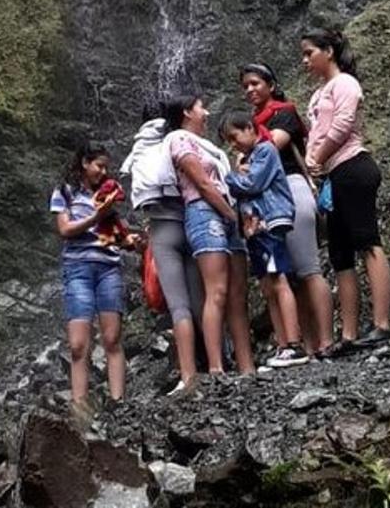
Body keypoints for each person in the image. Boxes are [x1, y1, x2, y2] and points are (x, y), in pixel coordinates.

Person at [301, 29, 390, 352]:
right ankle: (349, 334)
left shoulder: (345, 84)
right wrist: (316, 166)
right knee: (341, 254)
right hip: (332, 175)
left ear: (328, 51)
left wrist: (318, 157)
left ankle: (383, 322)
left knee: (367, 240)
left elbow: (342, 126)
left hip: (353, 166)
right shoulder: (318, 94)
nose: (305, 60)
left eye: (309, 53)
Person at [239, 63, 335, 356]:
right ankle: (305, 344)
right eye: (246, 86)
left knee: (308, 268)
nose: (250, 90)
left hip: (292, 189)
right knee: (289, 275)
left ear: (270, 84)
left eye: (255, 83)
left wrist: (242, 156)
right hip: (268, 198)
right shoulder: (253, 123)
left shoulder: (285, 113)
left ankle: (327, 340)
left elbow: (269, 148)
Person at [164, 95, 255, 376]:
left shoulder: (211, 148)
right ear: (187, 112)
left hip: (230, 213)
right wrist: (231, 215)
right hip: (205, 212)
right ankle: (216, 367)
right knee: (216, 291)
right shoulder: (179, 139)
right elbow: (202, 183)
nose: (206, 113)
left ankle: (247, 367)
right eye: (201, 107)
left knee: (238, 295)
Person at [122, 105, 203, 394]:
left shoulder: (141, 149)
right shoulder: (178, 141)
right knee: (199, 301)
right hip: (192, 223)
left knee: (178, 306)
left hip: (161, 229)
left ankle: (189, 375)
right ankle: (218, 363)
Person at [222, 112, 309, 368]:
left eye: (234, 137)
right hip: (255, 227)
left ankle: (294, 344)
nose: (233, 145)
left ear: (249, 128)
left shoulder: (265, 150)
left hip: (270, 221)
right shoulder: (251, 156)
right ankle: (282, 344)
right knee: (267, 284)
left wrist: (230, 177)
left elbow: (252, 183)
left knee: (278, 278)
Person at [50, 143, 129, 420]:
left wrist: (133, 241)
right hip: (78, 268)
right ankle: (80, 407)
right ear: (84, 162)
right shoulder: (65, 191)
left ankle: (118, 403)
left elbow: (117, 235)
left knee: (112, 337)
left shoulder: (108, 193)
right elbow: (65, 229)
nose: (103, 171)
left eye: (106, 167)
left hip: (108, 268)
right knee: (78, 344)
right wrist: (97, 216)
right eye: (99, 165)